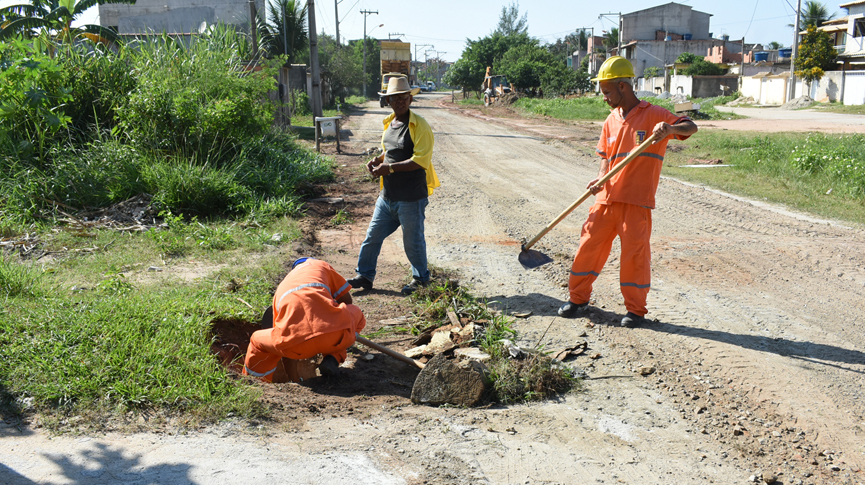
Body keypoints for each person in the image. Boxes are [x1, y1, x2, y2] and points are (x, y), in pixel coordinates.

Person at [558, 56, 698, 327]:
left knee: (634, 255)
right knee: (588, 246)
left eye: (607, 92)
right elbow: (604, 157)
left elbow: (690, 126)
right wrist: (600, 177)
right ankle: (578, 299)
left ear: (623, 87)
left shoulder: (655, 114)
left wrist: (669, 129)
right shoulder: (610, 120)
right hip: (606, 198)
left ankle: (635, 311)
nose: (605, 98)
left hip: (636, 202)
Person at [347, 76, 440, 296]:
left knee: (413, 242)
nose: (400, 101)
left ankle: (421, 279)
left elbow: (420, 161)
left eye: (404, 97)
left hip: (411, 198)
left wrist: (388, 169)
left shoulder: (420, 125)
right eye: (395, 98)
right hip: (387, 197)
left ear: (410, 98)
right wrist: (378, 161)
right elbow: (388, 151)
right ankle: (365, 276)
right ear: (388, 101)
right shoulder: (390, 123)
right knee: (372, 237)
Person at [243, 257, 366, 382]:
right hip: (335, 336)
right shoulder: (320, 265)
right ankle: (335, 355)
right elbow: (347, 301)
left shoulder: (283, 287)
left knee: (257, 341)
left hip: (295, 346)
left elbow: (282, 336)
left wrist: (294, 378)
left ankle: (256, 383)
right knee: (355, 312)